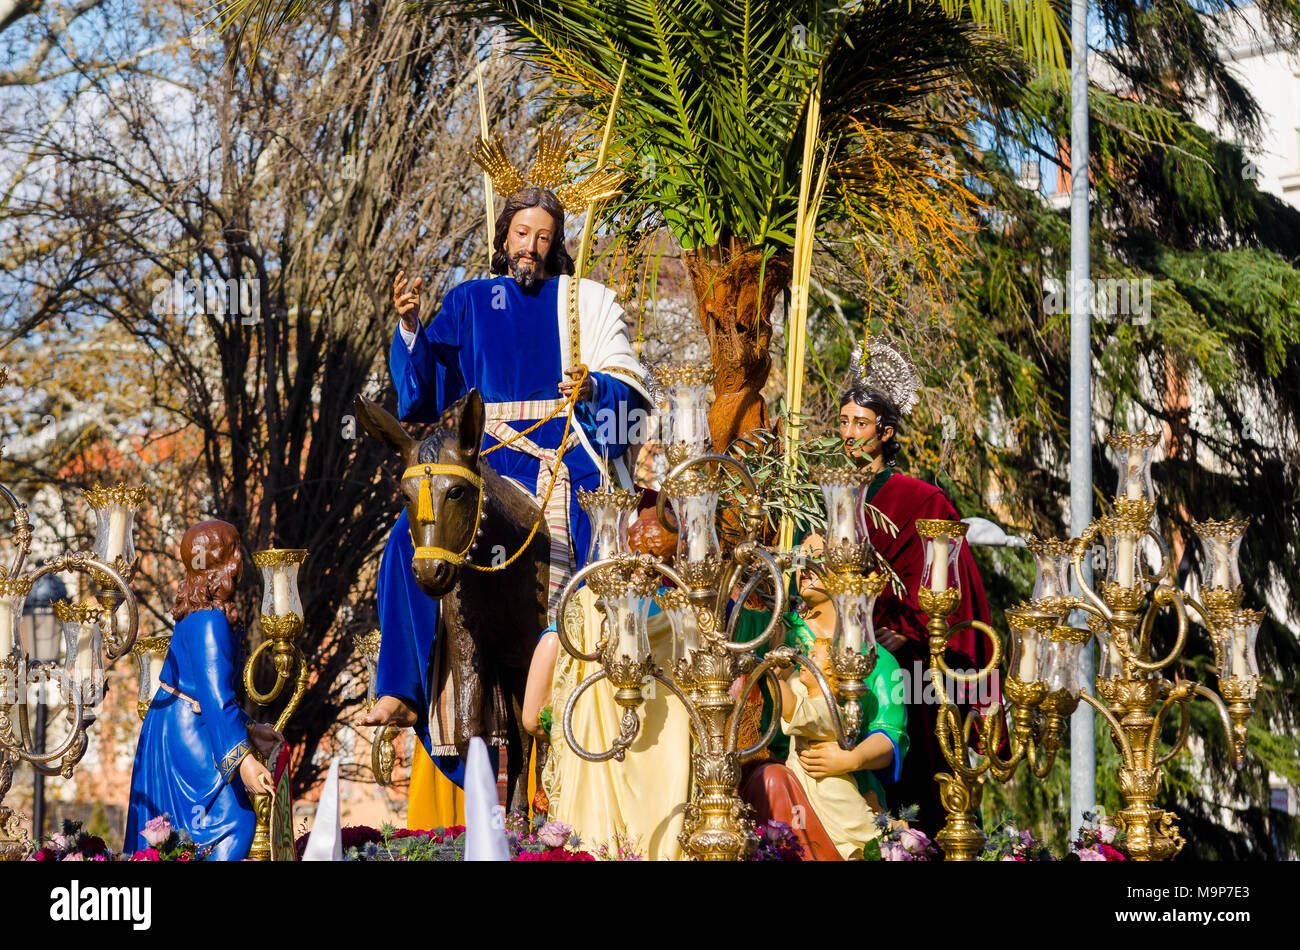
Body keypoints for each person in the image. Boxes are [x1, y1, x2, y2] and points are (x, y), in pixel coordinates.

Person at [359, 159, 651, 790]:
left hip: (561, 447)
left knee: (601, 540)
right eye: (521, 233)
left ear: (557, 245)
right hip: (482, 451)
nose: (531, 247)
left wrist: (594, 385)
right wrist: (409, 327)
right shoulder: (469, 300)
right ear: (503, 237)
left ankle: (599, 675)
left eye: (544, 237)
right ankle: (403, 685)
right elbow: (421, 391)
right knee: (408, 540)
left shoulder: (583, 300)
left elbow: (632, 389)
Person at [839, 339, 996, 838]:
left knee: (916, 788)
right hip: (835, 651)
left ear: (885, 433)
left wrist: (909, 631)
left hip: (909, 663)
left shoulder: (921, 498)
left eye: (860, 424)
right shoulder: (830, 497)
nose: (848, 434)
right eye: (842, 422)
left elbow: (946, 580)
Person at [737, 534, 908, 860]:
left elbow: (890, 733)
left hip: (849, 791)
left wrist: (850, 760)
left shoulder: (878, 660)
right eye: (802, 558)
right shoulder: (776, 631)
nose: (805, 567)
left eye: (819, 557)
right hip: (780, 776)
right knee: (772, 780)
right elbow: (724, 626)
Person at [124, 521, 281, 860]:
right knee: (233, 823)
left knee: (179, 834)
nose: (240, 561)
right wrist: (245, 762)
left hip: (174, 721)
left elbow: (208, 697)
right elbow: (213, 698)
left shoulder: (196, 616)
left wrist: (251, 728)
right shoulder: (210, 620)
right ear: (224, 561)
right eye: (234, 551)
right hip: (188, 732)